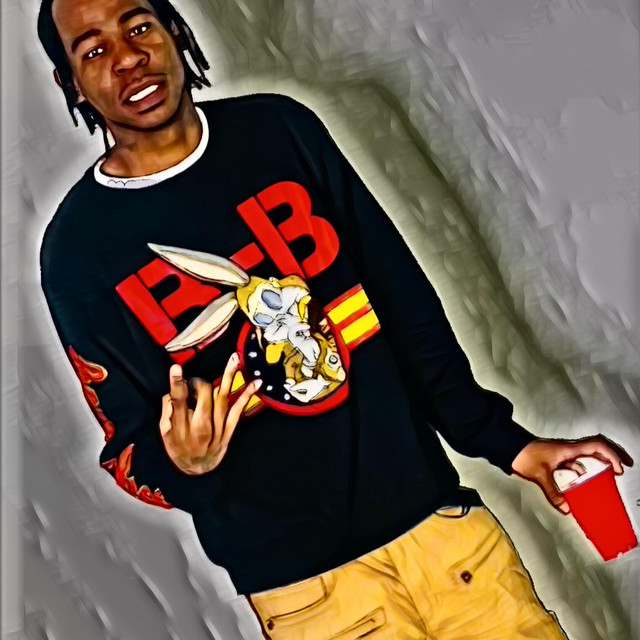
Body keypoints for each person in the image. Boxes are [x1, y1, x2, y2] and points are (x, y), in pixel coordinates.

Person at [37, 0, 633, 638]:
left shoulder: (277, 131)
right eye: (93, 50)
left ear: (175, 31)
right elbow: (130, 448)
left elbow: (400, 302)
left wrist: (508, 443)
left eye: (139, 27)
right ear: (72, 83)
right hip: (311, 594)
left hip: (445, 537)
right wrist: (185, 465)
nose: (128, 57)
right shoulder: (78, 251)